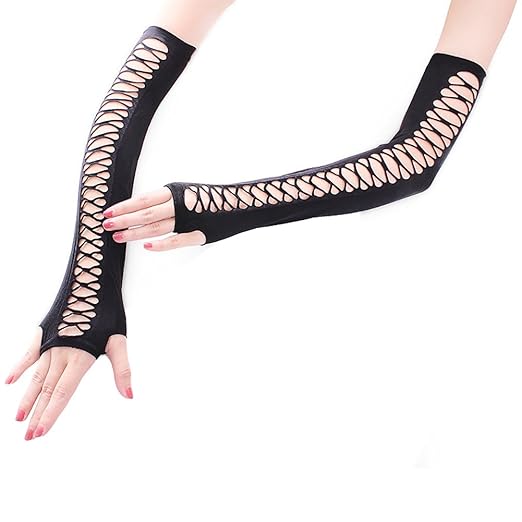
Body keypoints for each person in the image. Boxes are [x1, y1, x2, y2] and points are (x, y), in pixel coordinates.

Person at [5, 0, 517, 440]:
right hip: (163, 253)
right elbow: (135, 85)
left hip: (343, 275)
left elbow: (418, 155)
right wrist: (87, 290)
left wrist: (223, 205)